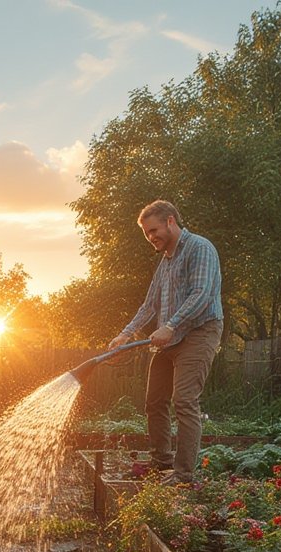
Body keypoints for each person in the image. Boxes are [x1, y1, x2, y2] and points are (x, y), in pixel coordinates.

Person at [109, 200, 223, 484]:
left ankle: (183, 474)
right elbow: (149, 305)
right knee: (154, 401)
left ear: (171, 221)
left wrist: (170, 325)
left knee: (184, 400)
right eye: (147, 233)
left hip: (199, 331)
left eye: (153, 230)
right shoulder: (165, 262)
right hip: (170, 338)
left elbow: (201, 294)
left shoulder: (200, 248)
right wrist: (126, 333)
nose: (151, 237)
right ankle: (161, 463)